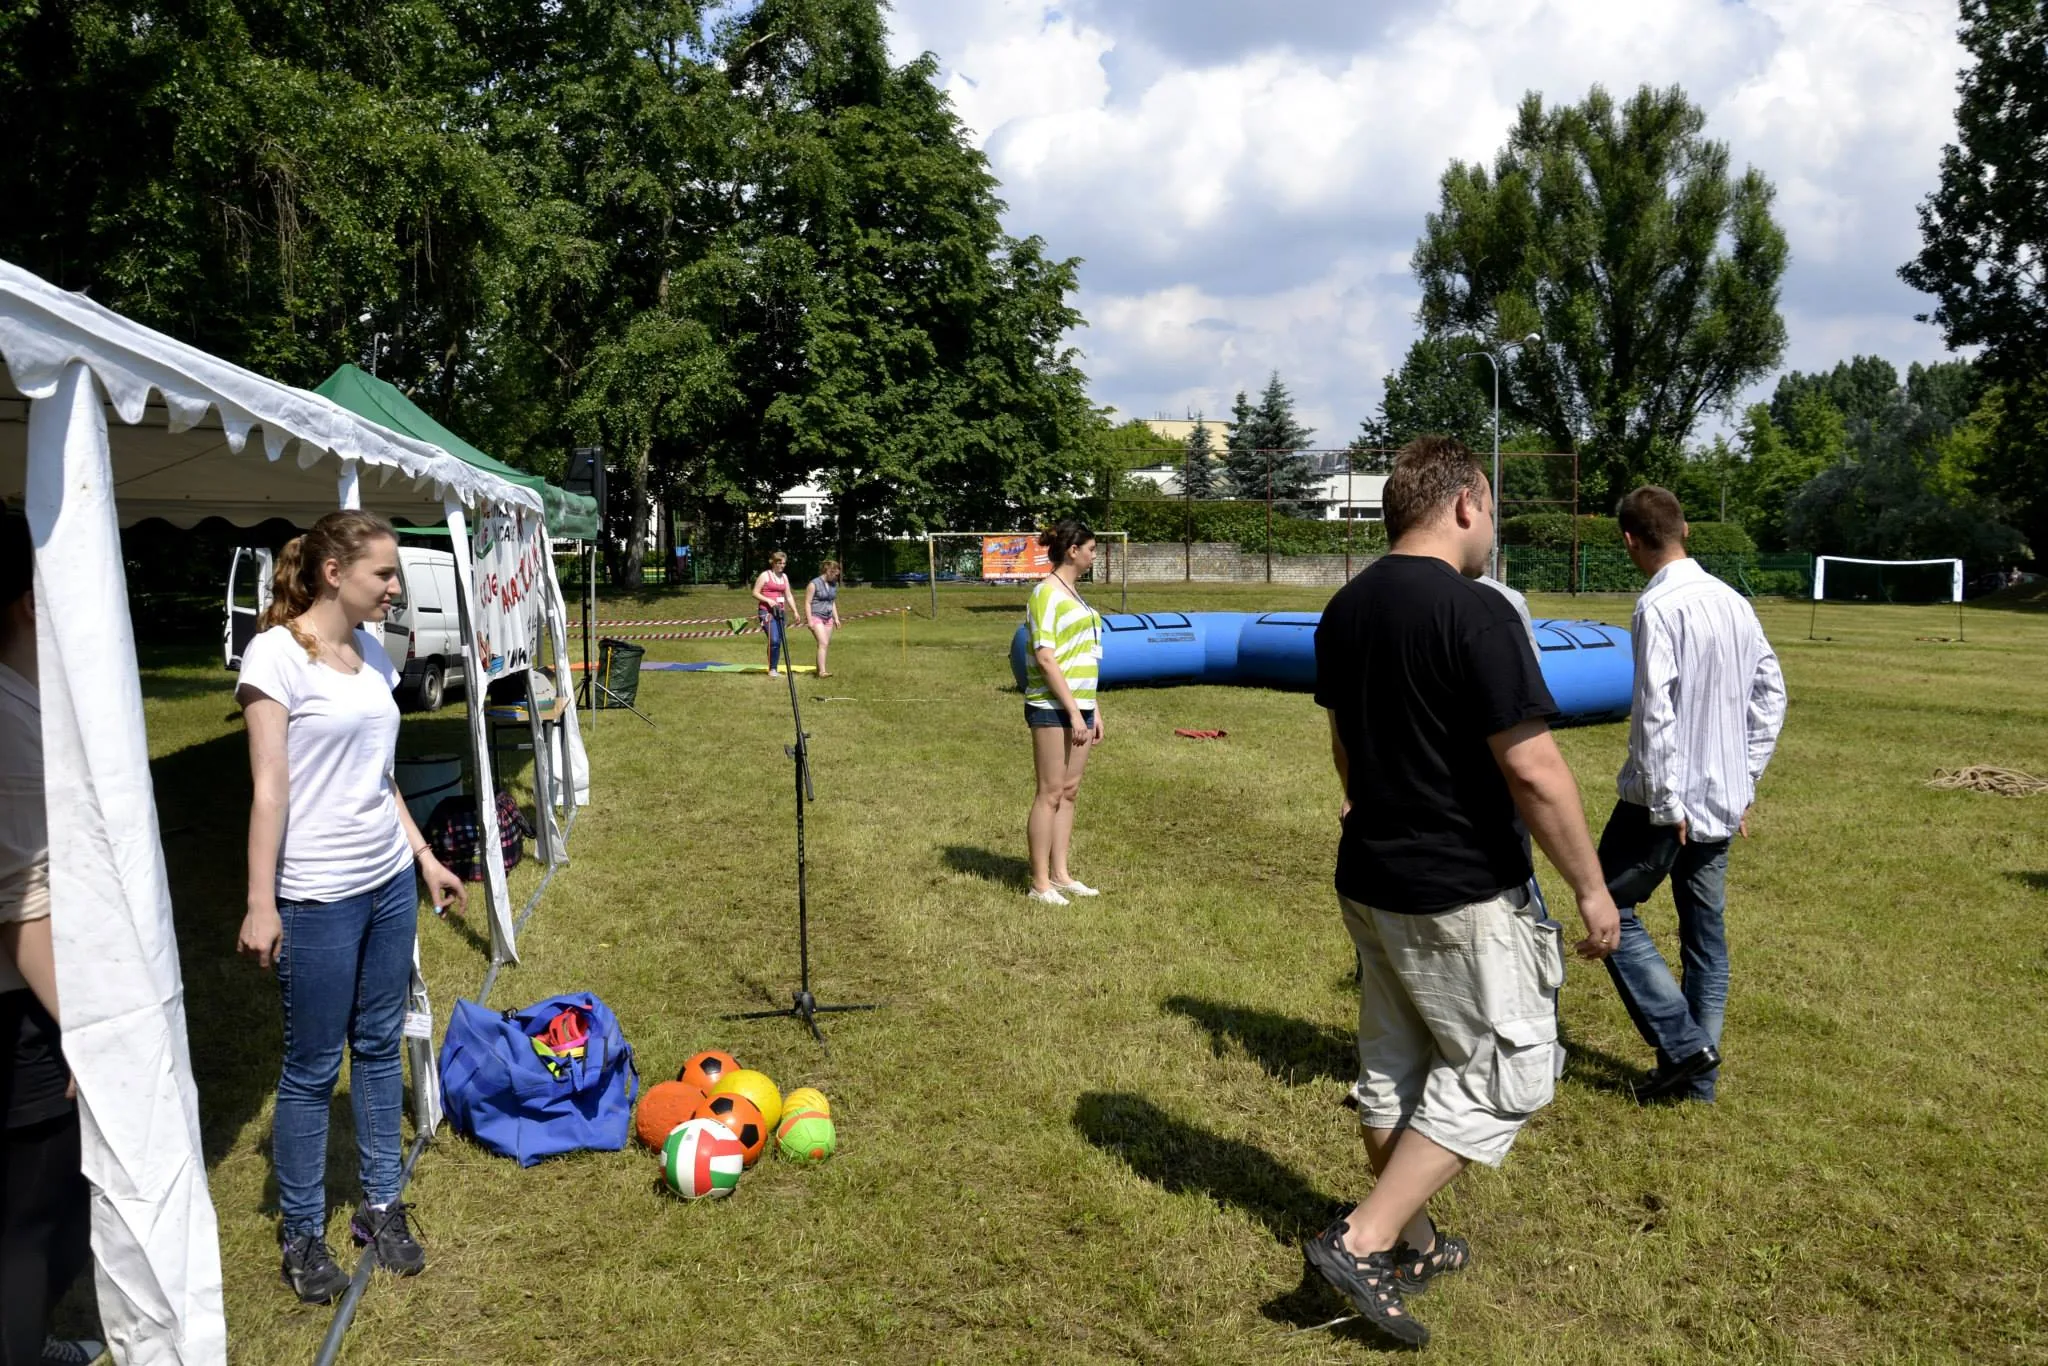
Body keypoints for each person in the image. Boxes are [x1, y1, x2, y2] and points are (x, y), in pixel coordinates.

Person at [1307, 437, 1620, 1348]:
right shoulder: (1475, 612)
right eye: (1493, 513)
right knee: (1507, 1069)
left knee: (1396, 1067)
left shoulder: (1344, 606)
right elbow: (1534, 770)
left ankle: (1417, 1242)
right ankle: (1361, 1239)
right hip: (1460, 888)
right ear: (1465, 504)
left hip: (1370, 876)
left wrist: (1370, 802)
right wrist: (1593, 891)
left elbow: (1346, 747)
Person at [236, 510, 467, 1304]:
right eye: (385, 575)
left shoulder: (370, 651)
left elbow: (380, 776)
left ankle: (377, 1205)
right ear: (335, 573)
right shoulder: (273, 657)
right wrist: (260, 901)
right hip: (316, 894)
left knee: (375, 1047)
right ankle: (303, 1233)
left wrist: (423, 856)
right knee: (309, 1068)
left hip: (385, 885)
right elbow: (269, 790)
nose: (395, 589)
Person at [1599, 487, 1787, 1104]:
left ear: (1630, 539)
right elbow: (1772, 694)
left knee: (1609, 911)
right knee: (1705, 936)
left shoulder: (1658, 608)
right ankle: (1697, 1084)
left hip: (1663, 802)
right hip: (1723, 800)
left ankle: (1684, 1049)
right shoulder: (1733, 601)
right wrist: (1746, 774)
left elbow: (1655, 712)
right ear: (1684, 530)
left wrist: (1665, 804)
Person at [0, 513, 103, 1366]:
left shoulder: (27, 699)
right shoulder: (11, 719)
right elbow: (20, 905)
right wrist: (80, 1028)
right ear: (34, 601)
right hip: (26, 1005)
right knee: (37, 1223)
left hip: (35, 992)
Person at [1021, 520, 1104, 906]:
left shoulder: (1077, 595)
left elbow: (1082, 656)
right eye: (1090, 549)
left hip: (1080, 706)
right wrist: (1073, 712)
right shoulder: (1045, 594)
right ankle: (1040, 883)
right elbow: (1046, 657)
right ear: (1073, 551)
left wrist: (1092, 709)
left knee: (1069, 792)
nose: (1093, 555)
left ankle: (1061, 874)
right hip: (1052, 707)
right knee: (1050, 793)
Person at [751, 551, 794, 677]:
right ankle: (772, 669)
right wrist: (768, 600)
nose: (782, 565)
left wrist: (795, 611)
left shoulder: (784, 577)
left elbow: (789, 596)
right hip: (766, 612)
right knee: (774, 639)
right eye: (779, 563)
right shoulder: (765, 575)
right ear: (773, 563)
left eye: (784, 563)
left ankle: (773, 667)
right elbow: (755, 592)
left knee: (779, 641)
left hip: (780, 612)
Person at [803, 560, 844, 679]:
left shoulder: (833, 584)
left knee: (823, 645)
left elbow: (832, 602)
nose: (837, 576)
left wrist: (836, 618)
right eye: (835, 574)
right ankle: (822, 672)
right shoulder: (813, 584)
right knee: (823, 642)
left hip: (828, 618)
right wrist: (809, 620)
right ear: (828, 571)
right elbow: (807, 602)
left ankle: (819, 671)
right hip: (816, 616)